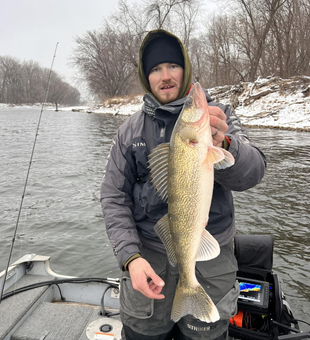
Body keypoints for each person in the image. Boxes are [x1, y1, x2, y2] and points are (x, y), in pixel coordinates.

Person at [100, 29, 266, 340]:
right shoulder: (130, 131)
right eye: (154, 69)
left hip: (210, 261)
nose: (165, 76)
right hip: (149, 261)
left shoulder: (220, 119)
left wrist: (226, 144)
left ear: (185, 68)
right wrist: (130, 258)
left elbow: (253, 173)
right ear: (145, 77)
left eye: (172, 66)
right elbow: (112, 197)